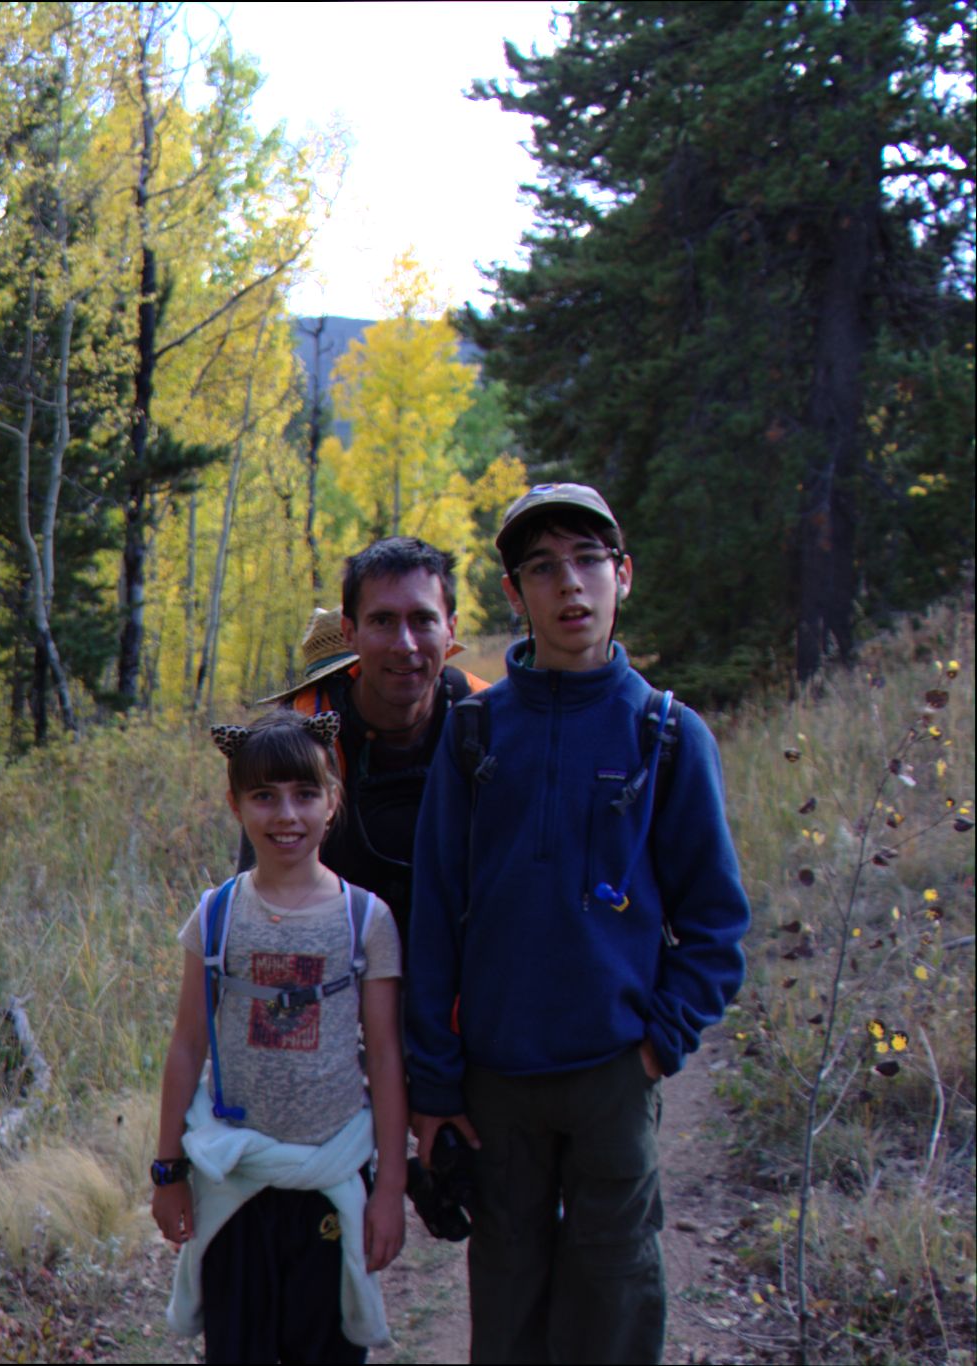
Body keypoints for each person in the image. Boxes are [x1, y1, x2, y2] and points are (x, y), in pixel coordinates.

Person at [405, 483, 751, 1364]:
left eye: (588, 562)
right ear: (515, 595)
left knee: (613, 1293)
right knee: (508, 1290)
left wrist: (657, 1042)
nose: (570, 587)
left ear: (622, 576)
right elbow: (436, 910)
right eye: (542, 568)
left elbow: (714, 921)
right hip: (497, 1082)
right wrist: (437, 1085)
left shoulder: (666, 734)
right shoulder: (476, 731)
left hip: (611, 1073)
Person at [156, 712, 407, 1363]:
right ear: (235, 804)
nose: (284, 814)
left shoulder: (365, 921)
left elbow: (382, 1059)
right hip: (233, 1179)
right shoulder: (215, 916)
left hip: (328, 1174)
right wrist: (167, 1171)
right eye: (263, 796)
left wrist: (388, 1190)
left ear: (332, 800)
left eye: (303, 794)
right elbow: (187, 1046)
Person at [244, 537, 490, 951]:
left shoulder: (490, 722)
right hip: (330, 969)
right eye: (383, 621)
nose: (405, 644)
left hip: (464, 976)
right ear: (349, 633)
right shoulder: (298, 738)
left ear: (451, 630)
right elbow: (257, 899)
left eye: (423, 620)